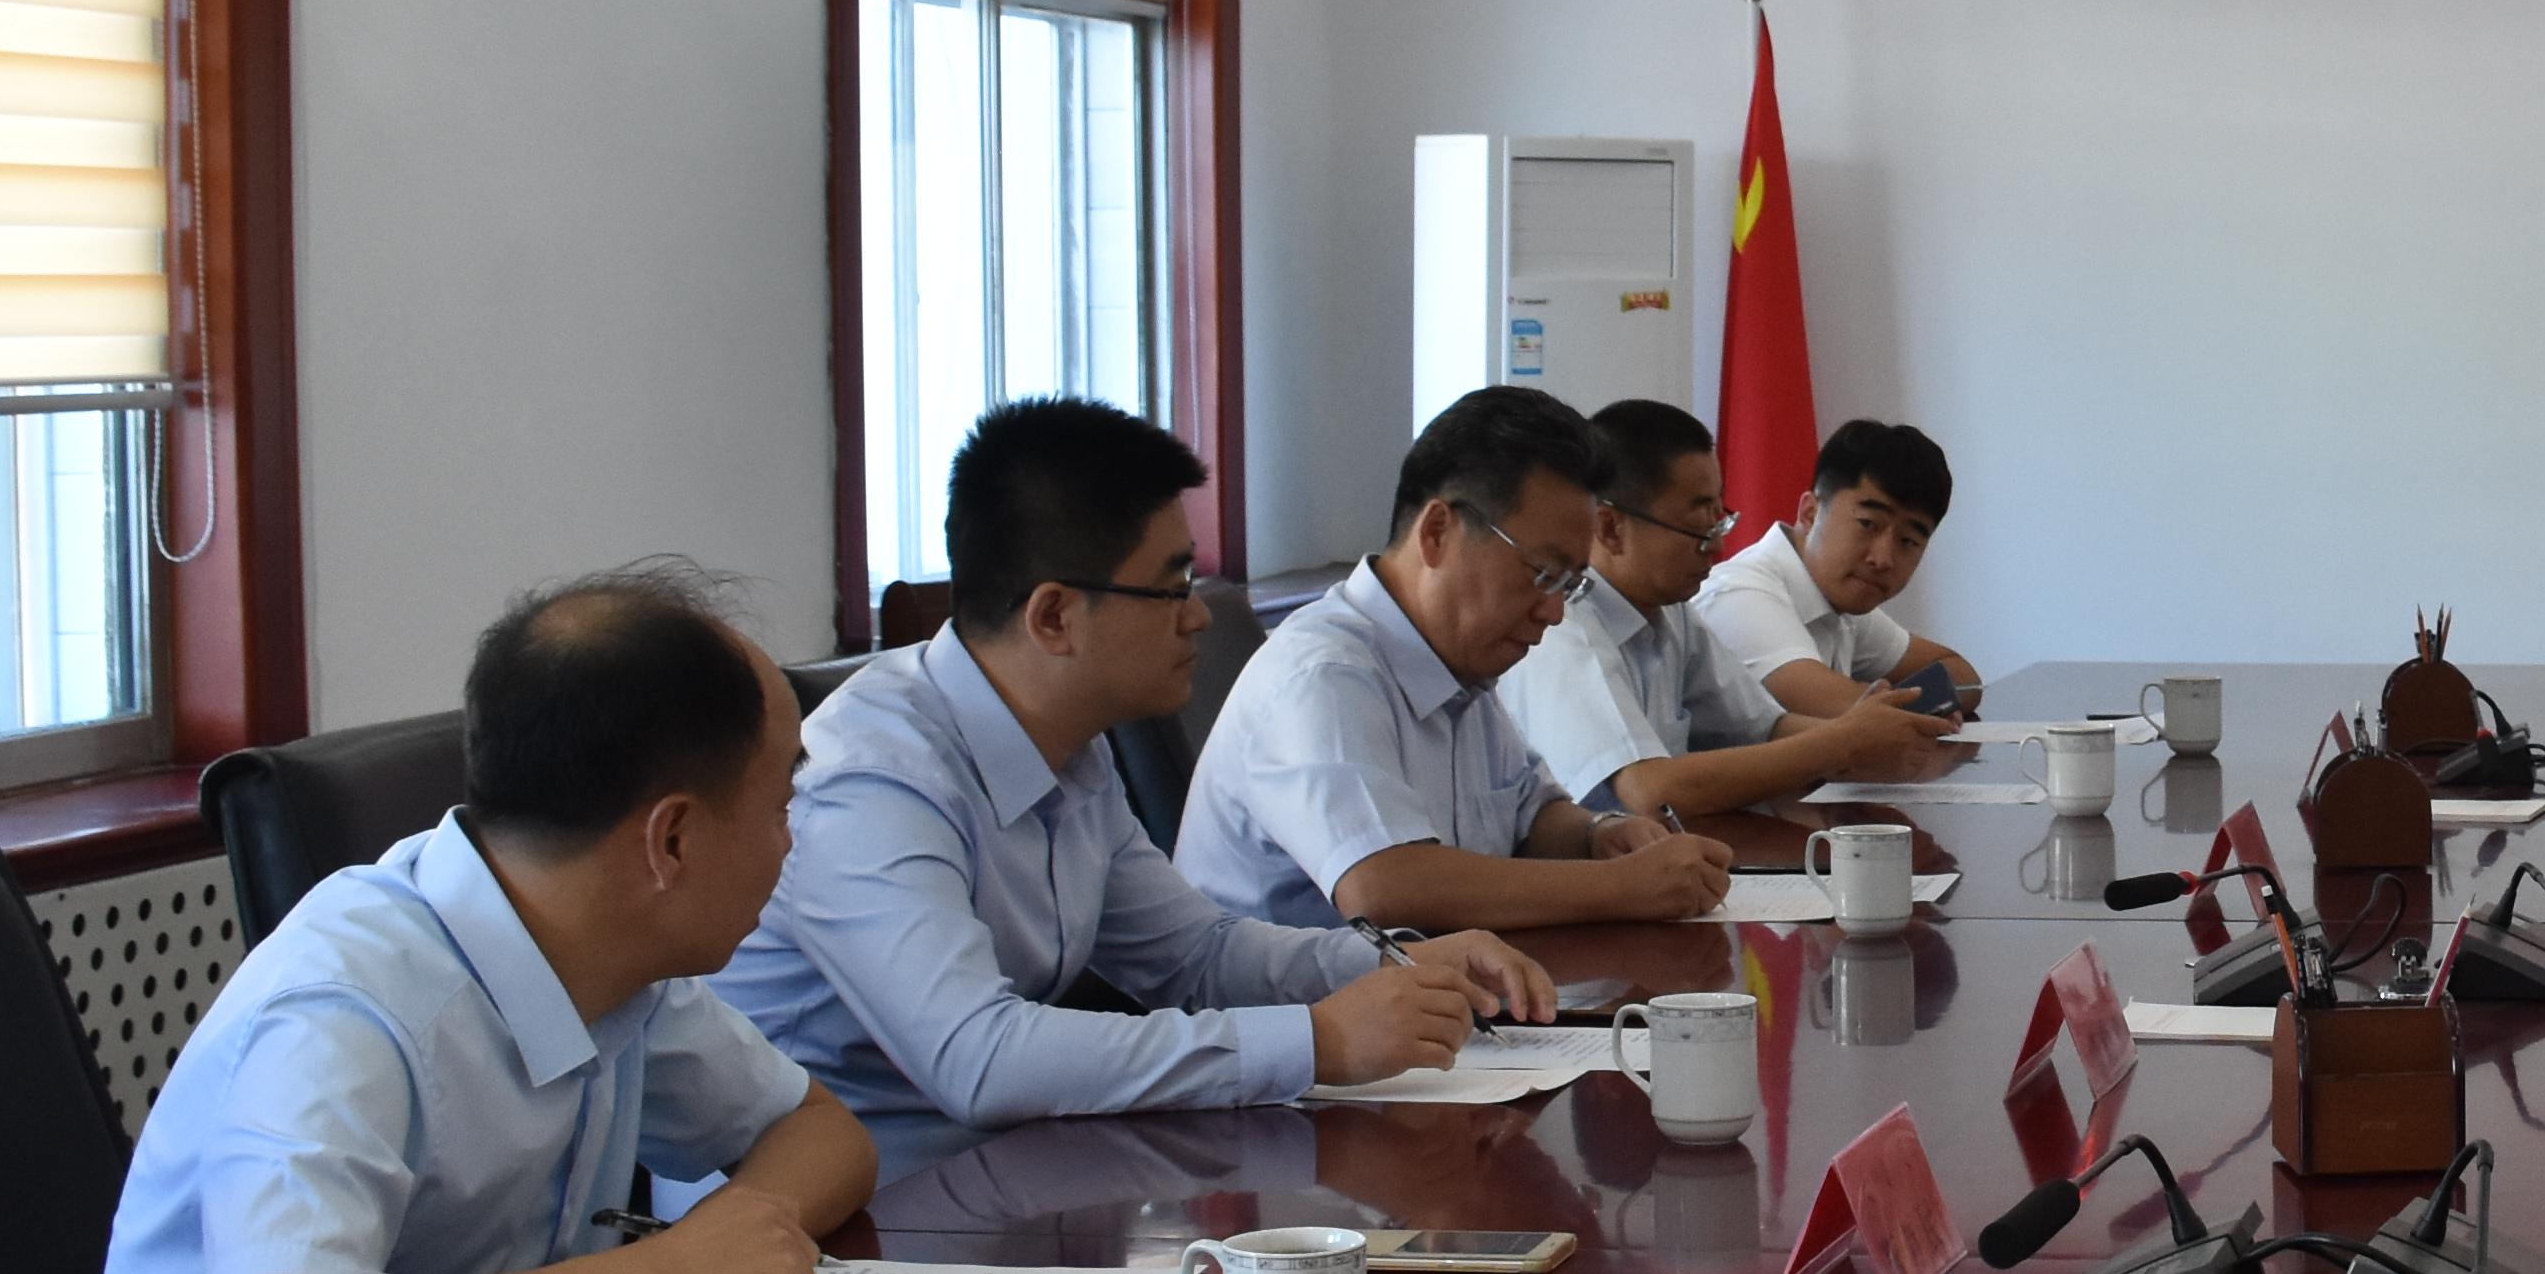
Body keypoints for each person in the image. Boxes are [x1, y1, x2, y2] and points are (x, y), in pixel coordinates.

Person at [59, 569, 877, 1274]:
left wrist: (733, 1239)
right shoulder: (344, 1007)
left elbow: (820, 1134)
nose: (791, 841)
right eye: (782, 803)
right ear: (671, 838)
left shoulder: (609, 952)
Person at [720, 400, 1539, 1175]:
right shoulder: (873, 777)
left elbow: (1195, 956)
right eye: (1171, 588)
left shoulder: (1072, 750)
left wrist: (1392, 960)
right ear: (1053, 617)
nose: (1199, 616)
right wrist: (1317, 1041)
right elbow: (980, 1059)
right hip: (854, 1214)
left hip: (1012, 1176)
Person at [1175, 385, 1737, 934]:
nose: (1553, 612)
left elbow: (1531, 815)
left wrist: (1600, 836)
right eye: (1543, 573)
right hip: (1300, 995)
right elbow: (1385, 889)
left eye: (1569, 584)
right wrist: (1623, 886)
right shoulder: (1324, 676)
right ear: (1438, 531)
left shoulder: (1459, 665)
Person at [1500, 397, 1956, 820]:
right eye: (1698, 528)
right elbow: (1647, 791)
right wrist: (1843, 743)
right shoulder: (1562, 627)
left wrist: (1869, 739)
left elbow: (1766, 728)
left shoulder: (1671, 611)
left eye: (1720, 521)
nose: (1718, 548)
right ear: (1611, 528)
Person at [1695, 417, 1986, 721]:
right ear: (1809, 513)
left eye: (1908, 541)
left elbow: (1965, 679)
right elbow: (1853, 716)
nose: (1883, 559)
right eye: (1867, 524)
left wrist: (1906, 708)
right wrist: (1928, 706)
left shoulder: (1839, 597)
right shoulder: (1739, 594)